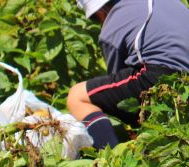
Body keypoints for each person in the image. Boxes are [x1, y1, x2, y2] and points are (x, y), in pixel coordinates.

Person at [67, 0, 189, 149]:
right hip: (184, 79)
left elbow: (119, 96)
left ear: (99, 12)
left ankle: (111, 161)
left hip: (159, 75)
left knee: (77, 96)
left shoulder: (112, 26)